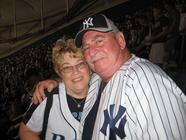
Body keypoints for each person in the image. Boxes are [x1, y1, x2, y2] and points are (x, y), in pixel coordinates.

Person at [33, 14, 186, 140]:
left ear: (120, 40)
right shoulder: (97, 79)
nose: (91, 52)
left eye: (98, 41)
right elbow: (79, 76)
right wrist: (56, 81)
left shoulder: (143, 80)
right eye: (86, 47)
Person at [19, 38, 101, 140]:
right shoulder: (46, 97)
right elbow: (26, 130)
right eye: (67, 68)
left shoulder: (104, 90)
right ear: (59, 73)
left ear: (89, 66)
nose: (75, 72)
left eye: (80, 64)